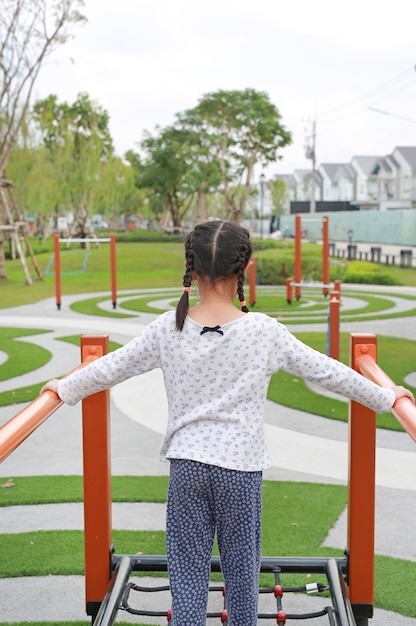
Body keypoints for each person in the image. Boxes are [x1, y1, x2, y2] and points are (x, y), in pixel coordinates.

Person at [41, 220, 415, 626]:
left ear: (192, 269)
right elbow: (328, 372)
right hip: (240, 471)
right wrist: (386, 396)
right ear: (246, 269)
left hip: (188, 468)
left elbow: (111, 367)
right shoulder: (262, 331)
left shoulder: (170, 327)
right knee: (241, 579)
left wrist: (64, 388)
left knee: (186, 578)